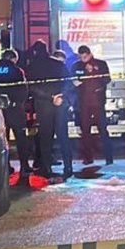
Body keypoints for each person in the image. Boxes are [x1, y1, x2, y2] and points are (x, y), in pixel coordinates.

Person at [21, 41, 65, 181]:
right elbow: (68, 82)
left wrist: (49, 97)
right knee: (62, 136)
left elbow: (31, 88)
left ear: (35, 52)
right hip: (60, 103)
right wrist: (60, 97)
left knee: (45, 137)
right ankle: (68, 167)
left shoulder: (32, 66)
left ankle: (46, 167)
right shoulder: (58, 64)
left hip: (43, 105)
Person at [0, 49, 28, 178]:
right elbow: (23, 90)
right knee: (21, 139)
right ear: (13, 59)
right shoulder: (17, 71)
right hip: (14, 110)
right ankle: (24, 166)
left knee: (2, 140)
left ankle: (5, 167)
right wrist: (19, 103)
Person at [71, 45, 113, 165]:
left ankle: (109, 157)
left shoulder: (101, 64)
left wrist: (93, 73)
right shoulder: (76, 66)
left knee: (103, 130)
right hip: (83, 104)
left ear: (89, 54)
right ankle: (88, 157)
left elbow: (107, 79)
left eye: (85, 57)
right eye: (81, 57)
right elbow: (71, 80)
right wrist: (76, 81)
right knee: (85, 131)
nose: (83, 59)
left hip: (98, 103)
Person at [50, 49, 77, 177]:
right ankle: (66, 166)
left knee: (60, 138)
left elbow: (69, 86)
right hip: (56, 106)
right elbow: (69, 86)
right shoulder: (62, 69)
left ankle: (67, 166)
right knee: (60, 138)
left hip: (57, 106)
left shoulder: (58, 69)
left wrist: (58, 97)